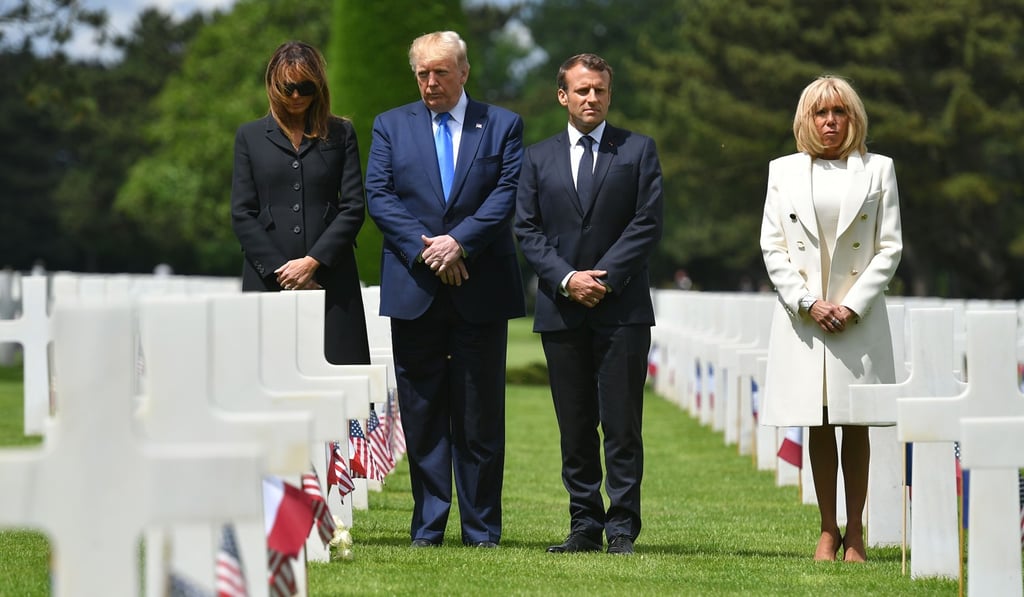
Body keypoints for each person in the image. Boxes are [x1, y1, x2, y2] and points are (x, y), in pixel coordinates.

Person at [364, 30, 525, 548]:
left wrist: (460, 243)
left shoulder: (502, 125)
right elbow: (380, 195)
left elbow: (506, 194)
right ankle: (428, 526)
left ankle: (481, 530)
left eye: (440, 72)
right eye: (422, 74)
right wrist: (430, 250)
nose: (430, 83)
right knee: (423, 413)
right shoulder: (391, 125)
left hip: (481, 286)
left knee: (480, 416)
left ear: (464, 71)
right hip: (416, 286)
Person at [515, 53, 663, 556]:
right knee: (575, 425)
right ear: (563, 96)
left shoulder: (639, 151)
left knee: (622, 424)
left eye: (599, 89)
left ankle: (622, 528)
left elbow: (647, 223)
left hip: (622, 310)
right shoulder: (536, 158)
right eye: (581, 90)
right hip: (562, 310)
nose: (591, 98)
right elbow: (527, 230)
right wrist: (566, 279)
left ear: (609, 93)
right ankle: (584, 524)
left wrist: (603, 278)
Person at [759, 75, 902, 562]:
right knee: (818, 421)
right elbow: (773, 246)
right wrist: (808, 302)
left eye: (839, 112)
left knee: (854, 422)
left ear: (853, 118)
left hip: (855, 316)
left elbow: (889, 246)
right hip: (807, 318)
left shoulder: (879, 170)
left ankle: (856, 533)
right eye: (821, 113)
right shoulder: (782, 171)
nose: (830, 122)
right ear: (806, 119)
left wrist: (851, 304)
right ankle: (826, 529)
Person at [230, 41, 370, 366]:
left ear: (319, 86)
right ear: (273, 85)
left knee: (341, 380)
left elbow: (353, 207)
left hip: (333, 279)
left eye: (305, 87)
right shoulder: (249, 137)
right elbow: (242, 212)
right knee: (264, 375)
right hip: (267, 280)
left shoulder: (341, 134)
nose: (295, 96)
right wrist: (285, 270)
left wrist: (312, 263)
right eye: (287, 87)